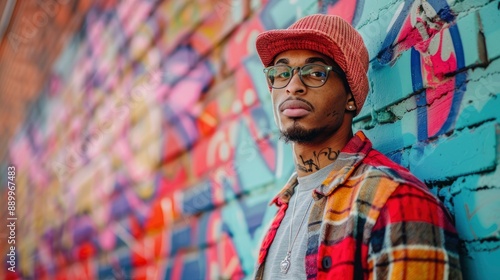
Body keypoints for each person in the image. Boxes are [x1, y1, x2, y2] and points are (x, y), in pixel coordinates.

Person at [253, 14, 462, 279]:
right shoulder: (284, 207)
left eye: (316, 73)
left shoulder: (394, 202)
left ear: (351, 96)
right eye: (281, 73)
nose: (293, 87)